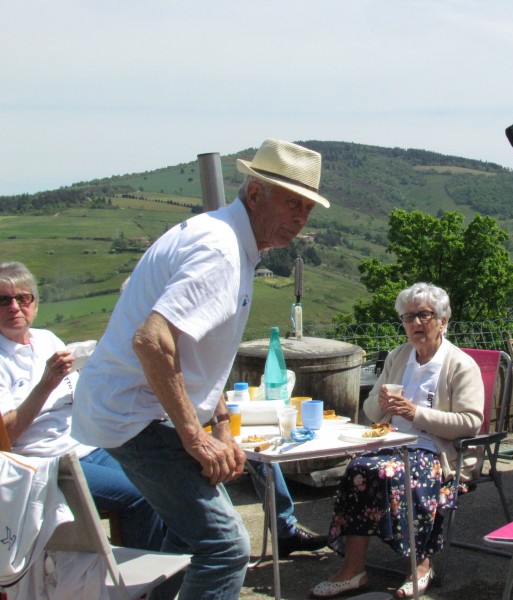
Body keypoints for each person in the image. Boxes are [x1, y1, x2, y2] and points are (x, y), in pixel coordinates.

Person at [72, 139, 330, 599]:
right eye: (293, 203)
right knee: (226, 548)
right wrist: (195, 437)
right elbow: (152, 341)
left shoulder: (224, 237)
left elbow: (203, 352)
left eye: (307, 208)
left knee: (186, 536)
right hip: (138, 416)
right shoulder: (222, 252)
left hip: (134, 411)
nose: (300, 219)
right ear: (256, 194)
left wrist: (220, 425)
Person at [310, 282, 484, 598]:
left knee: (399, 473)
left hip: (436, 452)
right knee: (359, 469)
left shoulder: (460, 365)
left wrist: (416, 413)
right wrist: (382, 404)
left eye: (424, 315)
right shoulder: (399, 356)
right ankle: (354, 570)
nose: (415, 323)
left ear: (442, 320)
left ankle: (421, 565)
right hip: (392, 444)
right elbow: (370, 411)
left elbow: (470, 423)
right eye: (408, 317)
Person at [0, 261, 165, 553]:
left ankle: (170, 564)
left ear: (35, 304)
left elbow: (79, 395)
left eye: (22, 298)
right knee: (141, 495)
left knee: (163, 480)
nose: (14, 307)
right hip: (45, 463)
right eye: (3, 300)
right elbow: (6, 435)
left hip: (88, 444)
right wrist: (46, 384)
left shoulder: (47, 340)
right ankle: (142, 576)